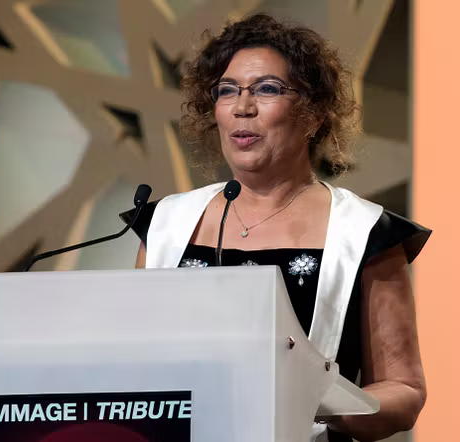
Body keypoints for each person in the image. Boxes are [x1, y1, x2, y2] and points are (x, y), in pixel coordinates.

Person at [120, 13, 430, 442]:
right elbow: (130, 364)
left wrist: (313, 401)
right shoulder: (166, 224)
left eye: (266, 89)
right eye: (227, 90)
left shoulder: (365, 232)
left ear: (314, 114)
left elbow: (404, 392)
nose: (242, 107)